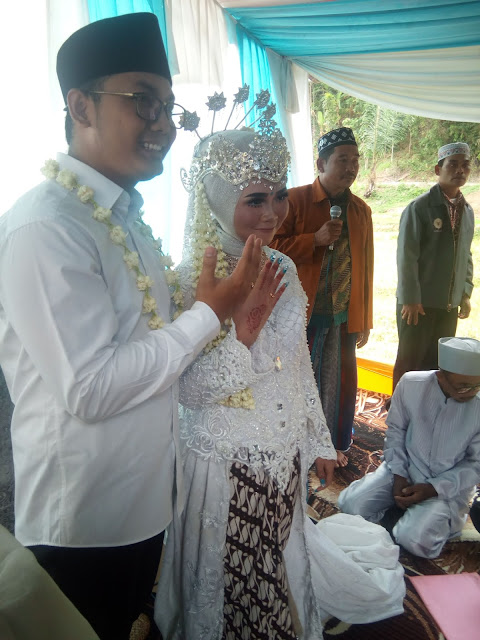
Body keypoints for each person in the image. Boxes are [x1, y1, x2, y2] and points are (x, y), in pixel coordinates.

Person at [0, 14, 264, 640]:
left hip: (143, 497)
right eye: (142, 100)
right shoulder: (48, 227)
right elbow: (90, 388)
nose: (162, 124)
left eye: (168, 106)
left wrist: (215, 317)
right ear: (80, 106)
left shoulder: (124, 215)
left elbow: (149, 338)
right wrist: (209, 313)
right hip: (85, 520)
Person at [155, 125, 405, 640]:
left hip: (281, 445)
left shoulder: (283, 266)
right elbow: (188, 392)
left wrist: (318, 436)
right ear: (215, 198)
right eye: (254, 199)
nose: (272, 213)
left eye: (279, 195)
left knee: (277, 554)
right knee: (239, 576)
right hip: (226, 457)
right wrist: (242, 336)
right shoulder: (188, 279)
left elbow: (296, 361)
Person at [271, 127, 373, 466]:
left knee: (337, 383)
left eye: (355, 160)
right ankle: (296, 442)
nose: (351, 167)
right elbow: (268, 248)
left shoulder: (360, 210)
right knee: (300, 379)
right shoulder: (293, 200)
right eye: (342, 160)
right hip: (302, 312)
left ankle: (329, 445)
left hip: (343, 312)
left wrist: (364, 317)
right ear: (321, 163)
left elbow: (366, 267)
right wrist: (312, 240)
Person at [338, 337, 480, 559]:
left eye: (477, 385)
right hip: (403, 467)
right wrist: (398, 475)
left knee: (414, 540)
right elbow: (396, 431)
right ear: (440, 376)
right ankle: (405, 511)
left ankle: (414, 518)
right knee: (351, 505)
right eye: (463, 386)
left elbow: (475, 464)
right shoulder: (412, 384)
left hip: (446, 485)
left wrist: (433, 488)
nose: (470, 392)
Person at [392, 142, 474, 391]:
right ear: (438, 169)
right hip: (418, 305)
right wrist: (410, 298)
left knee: (438, 367)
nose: (460, 170)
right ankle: (399, 409)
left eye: (465, 165)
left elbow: (466, 254)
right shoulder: (420, 208)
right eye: (453, 164)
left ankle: (427, 411)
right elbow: (406, 256)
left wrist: (465, 293)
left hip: (448, 306)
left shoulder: (467, 210)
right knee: (410, 365)